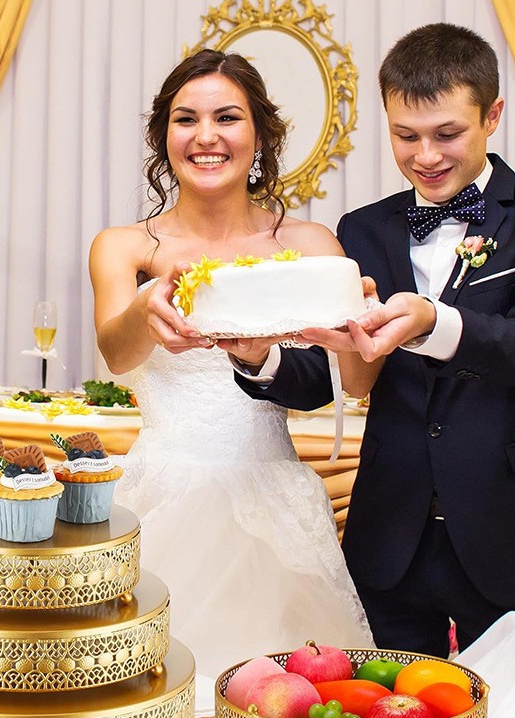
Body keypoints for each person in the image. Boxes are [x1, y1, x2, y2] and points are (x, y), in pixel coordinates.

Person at [233, 23, 515, 658]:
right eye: (405, 136)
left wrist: (433, 322)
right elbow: (337, 369)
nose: (424, 156)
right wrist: (256, 355)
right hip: (391, 536)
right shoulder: (364, 227)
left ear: (492, 116)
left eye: (447, 134)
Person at [89, 49, 374, 679]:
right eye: (186, 119)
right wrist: (149, 309)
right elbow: (116, 351)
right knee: (148, 687)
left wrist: (360, 333)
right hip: (163, 492)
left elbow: (354, 384)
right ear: (164, 137)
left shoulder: (310, 245)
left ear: (260, 135)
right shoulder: (126, 247)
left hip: (274, 494)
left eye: (227, 117)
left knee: (293, 702)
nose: (207, 137)